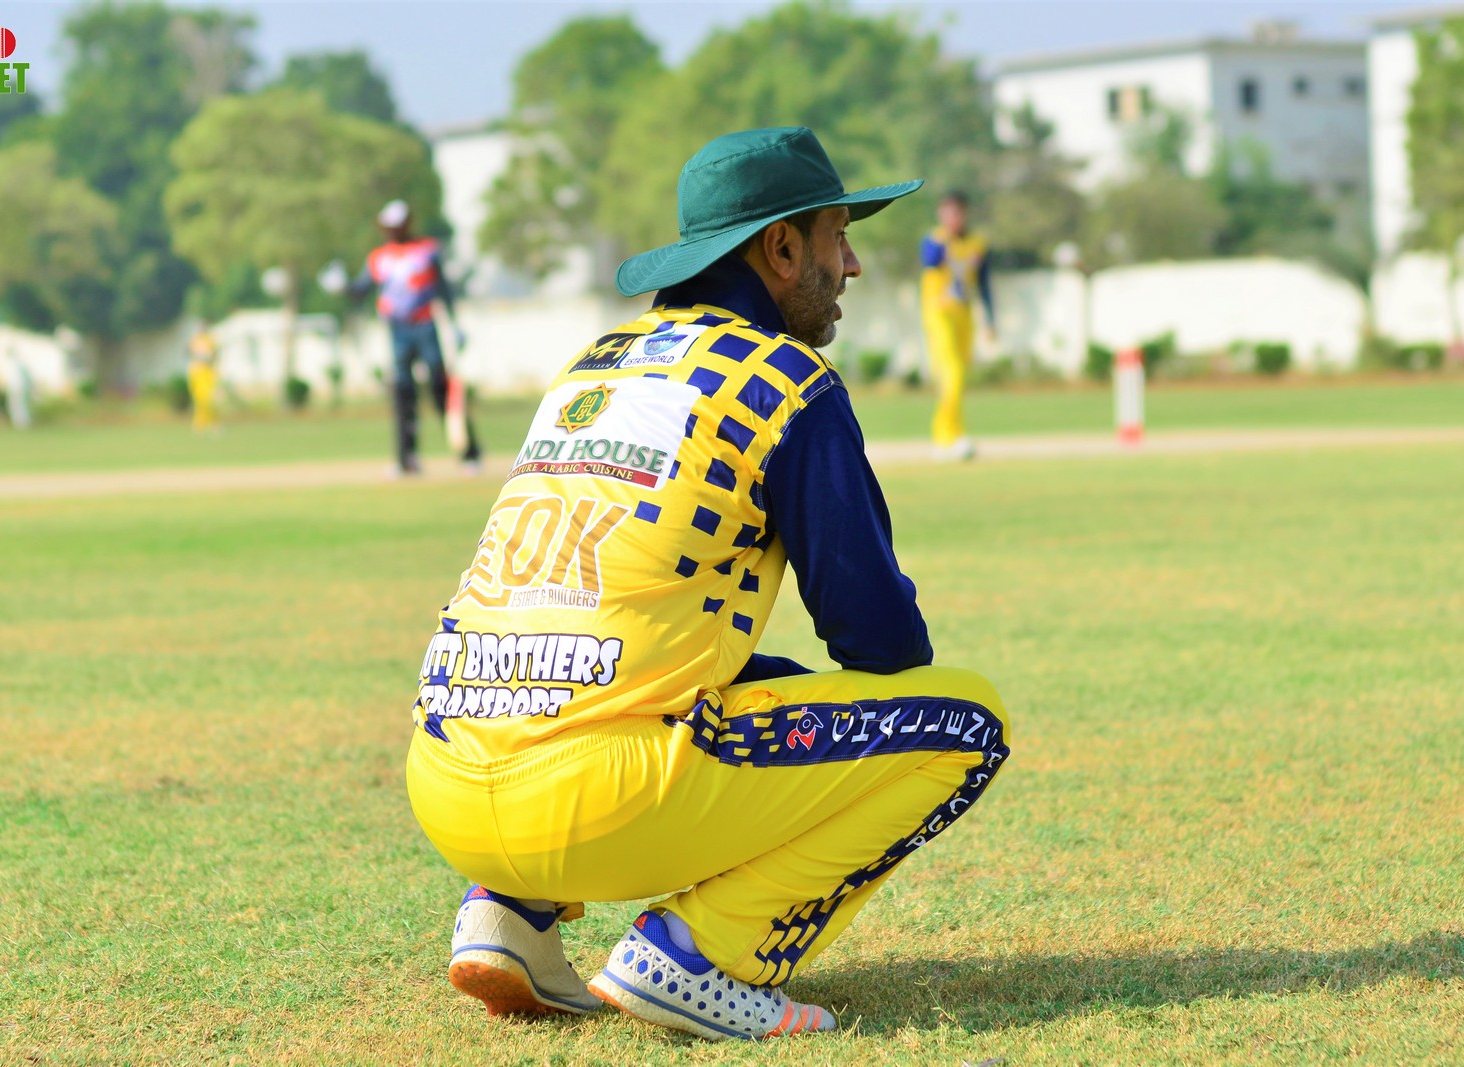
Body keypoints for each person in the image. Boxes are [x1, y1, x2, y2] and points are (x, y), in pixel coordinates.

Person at [406, 128, 1012, 1041]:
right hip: (593, 796)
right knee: (962, 721)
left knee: (650, 672)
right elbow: (881, 643)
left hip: (445, 778)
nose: (851, 265)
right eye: (839, 236)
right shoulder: (786, 380)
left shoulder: (593, 364)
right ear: (782, 248)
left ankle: (508, 917)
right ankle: (701, 956)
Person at [348, 199, 480, 475]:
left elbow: (443, 290)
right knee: (402, 392)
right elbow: (360, 290)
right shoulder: (379, 258)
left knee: (440, 387)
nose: (392, 230)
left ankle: (469, 454)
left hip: (425, 326)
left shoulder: (426, 251)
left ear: (407, 224)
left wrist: (455, 323)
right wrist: (342, 286)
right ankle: (406, 459)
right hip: (397, 330)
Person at [920, 191, 995, 461]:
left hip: (964, 314)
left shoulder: (978, 244)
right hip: (939, 313)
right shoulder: (934, 240)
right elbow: (929, 261)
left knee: (960, 376)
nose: (952, 217)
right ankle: (945, 438)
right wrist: (946, 240)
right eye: (947, 212)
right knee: (952, 372)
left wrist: (991, 320)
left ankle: (954, 435)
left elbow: (984, 284)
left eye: (957, 212)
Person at [185, 326, 220, 434]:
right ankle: (200, 424)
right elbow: (188, 352)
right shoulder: (194, 340)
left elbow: (214, 355)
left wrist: (208, 358)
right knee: (200, 400)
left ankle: (212, 423)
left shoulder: (210, 340)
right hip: (197, 373)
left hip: (207, 373)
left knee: (209, 400)